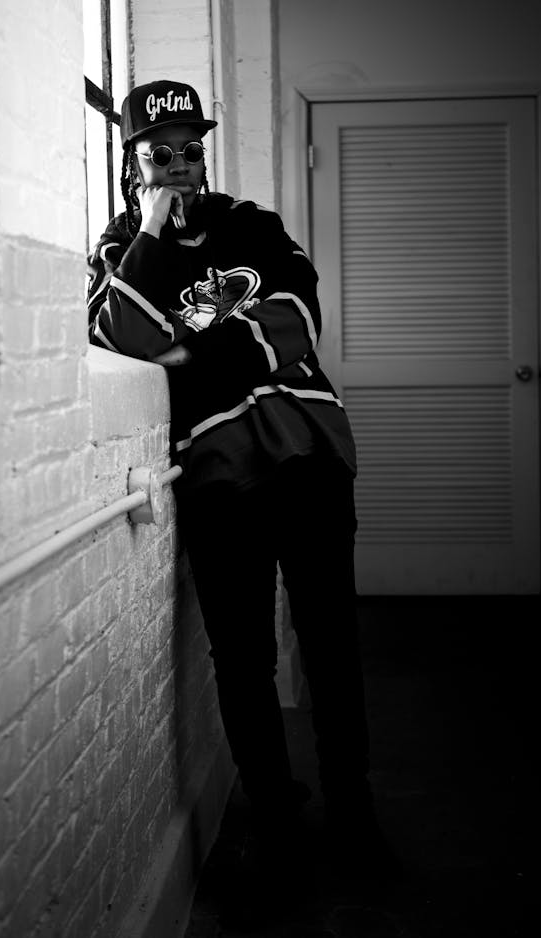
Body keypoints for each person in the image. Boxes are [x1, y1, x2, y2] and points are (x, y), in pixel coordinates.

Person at [87, 79, 399, 879]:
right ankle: (278, 823)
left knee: (329, 645)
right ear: (132, 163)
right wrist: (151, 228)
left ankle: (353, 815)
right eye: (161, 154)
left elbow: (297, 318)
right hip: (219, 479)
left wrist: (184, 360)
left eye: (192, 148)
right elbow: (117, 335)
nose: (181, 165)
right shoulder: (120, 250)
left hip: (310, 454)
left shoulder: (251, 226)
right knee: (243, 660)